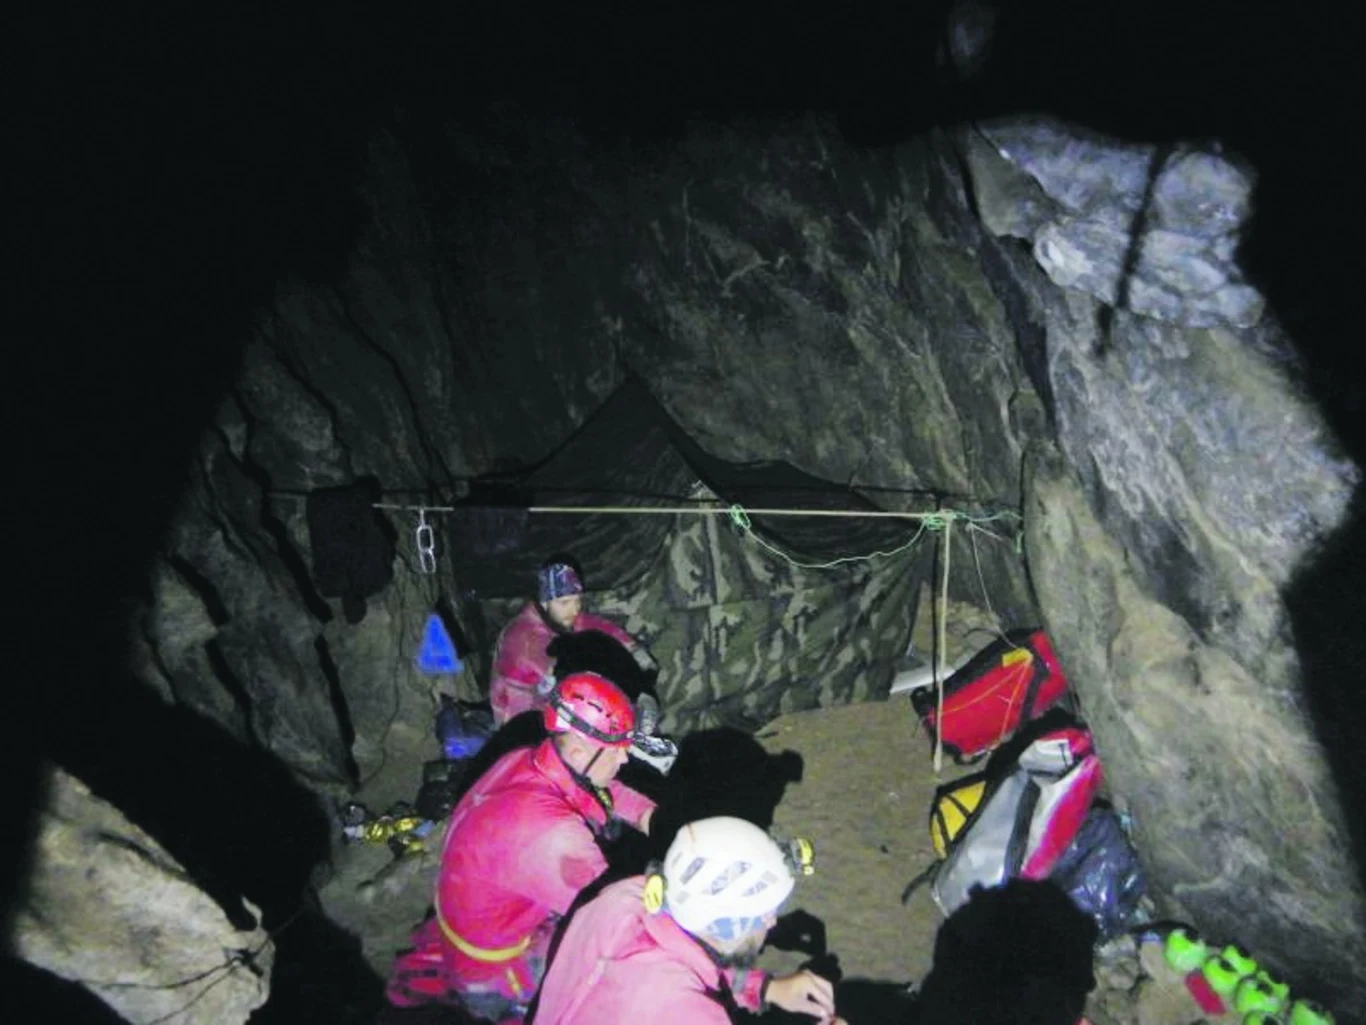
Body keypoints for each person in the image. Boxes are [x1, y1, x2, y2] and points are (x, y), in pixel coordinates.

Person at [384, 672, 656, 1024]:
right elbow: (618, 920)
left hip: (478, 920)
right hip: (492, 975)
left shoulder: (527, 759)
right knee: (621, 979)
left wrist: (651, 816)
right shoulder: (549, 834)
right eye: (617, 750)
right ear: (577, 750)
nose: (624, 759)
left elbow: (602, 790)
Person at [531, 815, 845, 1025]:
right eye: (764, 912)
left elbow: (692, 954)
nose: (772, 922)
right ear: (726, 923)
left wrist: (764, 989)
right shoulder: (687, 1012)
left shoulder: (627, 897)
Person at [489, 556, 656, 728]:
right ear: (544, 603)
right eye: (565, 603)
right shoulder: (523, 643)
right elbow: (518, 712)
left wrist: (635, 653)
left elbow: (599, 628)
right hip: (530, 722)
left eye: (578, 600)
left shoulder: (565, 619)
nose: (574, 610)